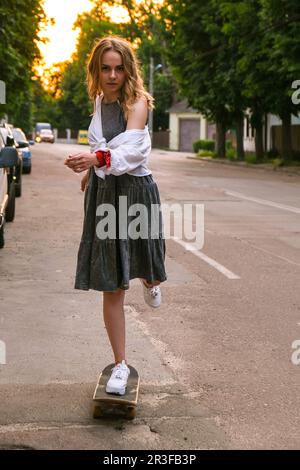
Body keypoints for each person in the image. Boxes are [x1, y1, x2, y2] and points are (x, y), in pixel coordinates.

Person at [64, 36, 167, 396]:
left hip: (136, 194)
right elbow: (102, 146)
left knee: (148, 267)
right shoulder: (99, 101)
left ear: (128, 70)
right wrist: (90, 172)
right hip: (105, 197)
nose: (112, 75)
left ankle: (152, 282)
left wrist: (96, 161)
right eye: (105, 68)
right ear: (96, 69)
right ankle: (120, 365)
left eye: (118, 68)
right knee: (111, 282)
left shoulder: (137, 102)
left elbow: (134, 151)